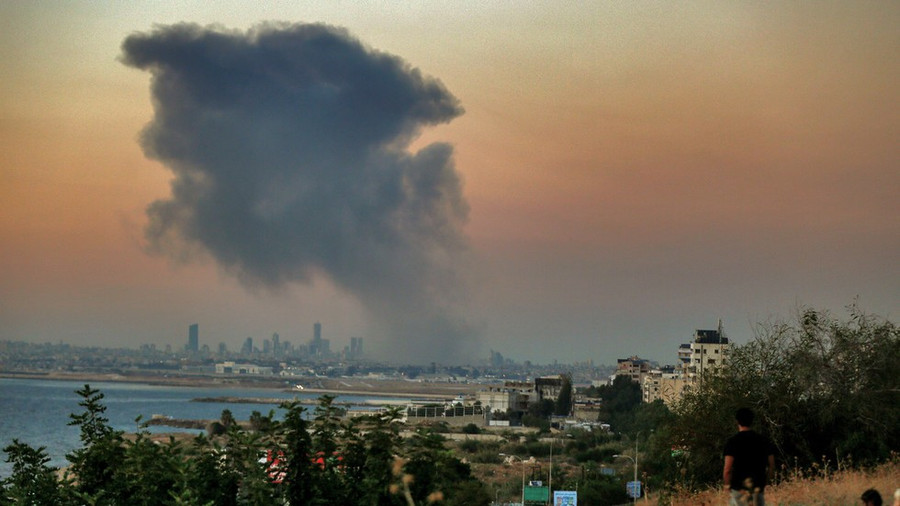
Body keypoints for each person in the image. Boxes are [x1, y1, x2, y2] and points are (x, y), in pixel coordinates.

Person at [723, 408, 775, 506]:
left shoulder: (732, 442)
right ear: (752, 421)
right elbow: (771, 466)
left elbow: (727, 469)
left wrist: (727, 487)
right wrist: (766, 482)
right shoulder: (764, 441)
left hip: (738, 490)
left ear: (737, 421)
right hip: (758, 488)